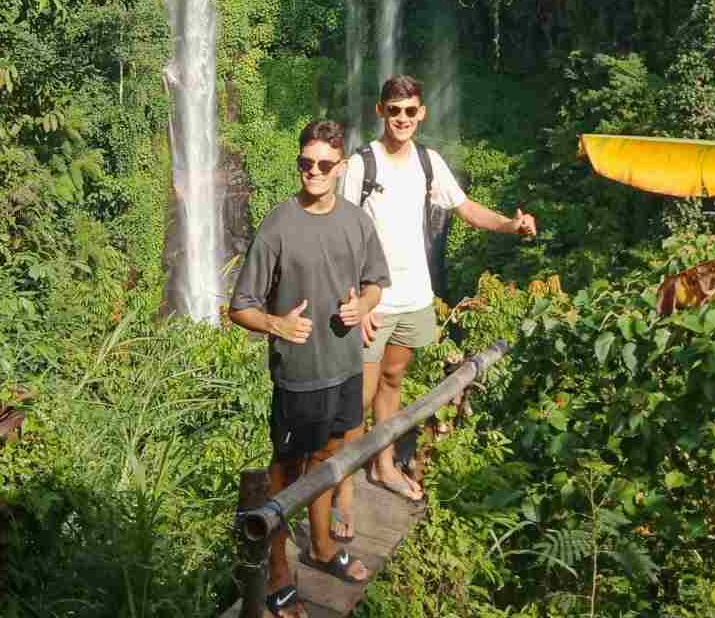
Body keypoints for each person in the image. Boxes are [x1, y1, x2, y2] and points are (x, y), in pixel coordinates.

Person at [333, 74, 537, 523]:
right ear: (380, 111)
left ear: (421, 114)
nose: (402, 118)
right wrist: (356, 299)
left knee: (392, 381)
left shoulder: (430, 163)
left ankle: (383, 465)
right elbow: (341, 233)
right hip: (374, 300)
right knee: (358, 398)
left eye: (410, 111)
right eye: (394, 110)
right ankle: (340, 493)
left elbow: (466, 209)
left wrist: (510, 225)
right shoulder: (361, 164)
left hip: (414, 296)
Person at [229, 120, 391, 618]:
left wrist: (362, 306)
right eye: (306, 163)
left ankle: (321, 547)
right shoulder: (279, 224)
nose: (313, 172)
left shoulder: (356, 222)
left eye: (324, 165)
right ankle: (279, 572)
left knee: (327, 458)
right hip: (298, 376)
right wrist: (275, 324)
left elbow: (374, 284)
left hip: (344, 367)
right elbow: (240, 307)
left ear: (341, 168)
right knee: (285, 475)